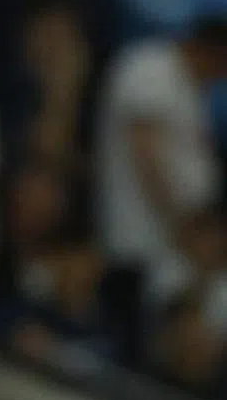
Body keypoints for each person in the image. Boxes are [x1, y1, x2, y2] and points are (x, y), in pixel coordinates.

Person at [97, 15, 227, 271]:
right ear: (212, 51)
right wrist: (182, 224)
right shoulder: (150, 69)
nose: (221, 77)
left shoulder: (190, 83)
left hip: (179, 237)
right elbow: (146, 156)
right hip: (147, 235)